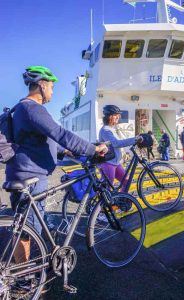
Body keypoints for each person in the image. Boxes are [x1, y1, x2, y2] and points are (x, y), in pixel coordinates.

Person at [5, 66, 108, 264]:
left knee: (22, 229)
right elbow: (60, 134)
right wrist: (92, 149)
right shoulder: (33, 108)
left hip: (20, 172)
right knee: (31, 231)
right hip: (31, 177)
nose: (52, 91)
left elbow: (36, 140)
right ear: (42, 86)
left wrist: (65, 151)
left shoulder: (20, 108)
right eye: (51, 87)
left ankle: (21, 274)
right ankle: (28, 277)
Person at [99, 104, 142, 192]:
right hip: (108, 164)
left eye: (118, 115)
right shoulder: (106, 130)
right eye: (116, 115)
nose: (118, 117)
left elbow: (120, 143)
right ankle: (99, 205)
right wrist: (135, 139)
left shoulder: (112, 129)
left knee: (126, 181)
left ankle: (121, 201)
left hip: (116, 163)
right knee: (106, 189)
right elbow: (116, 144)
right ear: (110, 117)